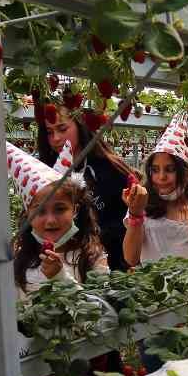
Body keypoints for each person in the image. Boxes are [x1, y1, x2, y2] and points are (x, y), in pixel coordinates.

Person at [38, 111, 137, 271]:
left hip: (112, 269)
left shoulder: (109, 169)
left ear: (80, 126)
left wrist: (90, 237)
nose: (55, 138)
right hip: (56, 265)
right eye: (49, 132)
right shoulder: (44, 172)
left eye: (62, 129)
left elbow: (128, 220)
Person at [9, 140, 109, 293]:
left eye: (60, 209)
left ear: (74, 210)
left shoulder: (91, 258)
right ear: (28, 215)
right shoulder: (20, 260)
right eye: (40, 211)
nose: (50, 220)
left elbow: (101, 312)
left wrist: (60, 277)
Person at [124, 114, 188, 267]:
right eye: (155, 170)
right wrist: (135, 214)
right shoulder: (143, 211)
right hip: (154, 290)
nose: (161, 177)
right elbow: (131, 258)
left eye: (170, 169)